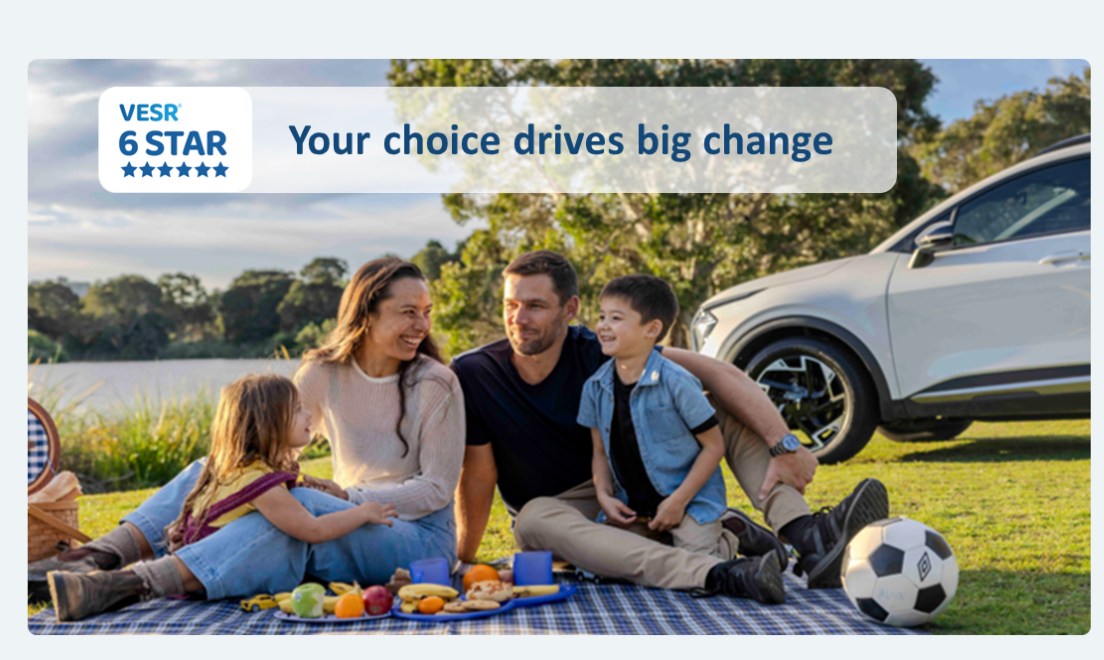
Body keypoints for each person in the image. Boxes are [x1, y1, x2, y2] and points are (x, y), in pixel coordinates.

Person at [30, 258, 465, 616]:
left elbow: (437, 488)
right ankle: (96, 559)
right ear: (366, 313)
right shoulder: (323, 373)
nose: (421, 324)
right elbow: (270, 449)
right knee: (218, 468)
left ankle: (133, 584)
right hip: (345, 518)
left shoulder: (435, 384)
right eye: (408, 312)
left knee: (297, 507)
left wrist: (347, 497)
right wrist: (198, 516)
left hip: (416, 538)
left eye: (426, 312)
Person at [452, 250, 889, 594]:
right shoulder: (474, 373)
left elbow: (717, 373)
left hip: (636, 492)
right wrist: (463, 560)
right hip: (566, 516)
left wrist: (783, 443)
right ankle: (718, 565)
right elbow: (478, 473)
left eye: (534, 306)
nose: (519, 319)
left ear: (570, 309)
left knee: (710, 405)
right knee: (532, 520)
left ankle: (804, 532)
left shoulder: (600, 350)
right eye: (511, 305)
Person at [46, 374, 401, 621]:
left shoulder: (234, 469)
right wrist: (362, 511)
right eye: (296, 410)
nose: (309, 414)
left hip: (196, 569)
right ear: (269, 424)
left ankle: (87, 566)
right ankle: (117, 586)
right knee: (290, 535)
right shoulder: (263, 484)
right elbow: (313, 530)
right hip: (210, 577)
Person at [580, 274, 784, 603]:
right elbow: (600, 453)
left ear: (652, 330)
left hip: (688, 502)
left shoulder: (677, 382)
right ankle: (710, 529)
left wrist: (677, 502)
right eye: (601, 316)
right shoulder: (595, 387)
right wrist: (604, 495)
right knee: (604, 567)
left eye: (616, 319)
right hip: (635, 509)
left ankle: (728, 536)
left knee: (699, 574)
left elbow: (713, 446)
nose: (603, 326)